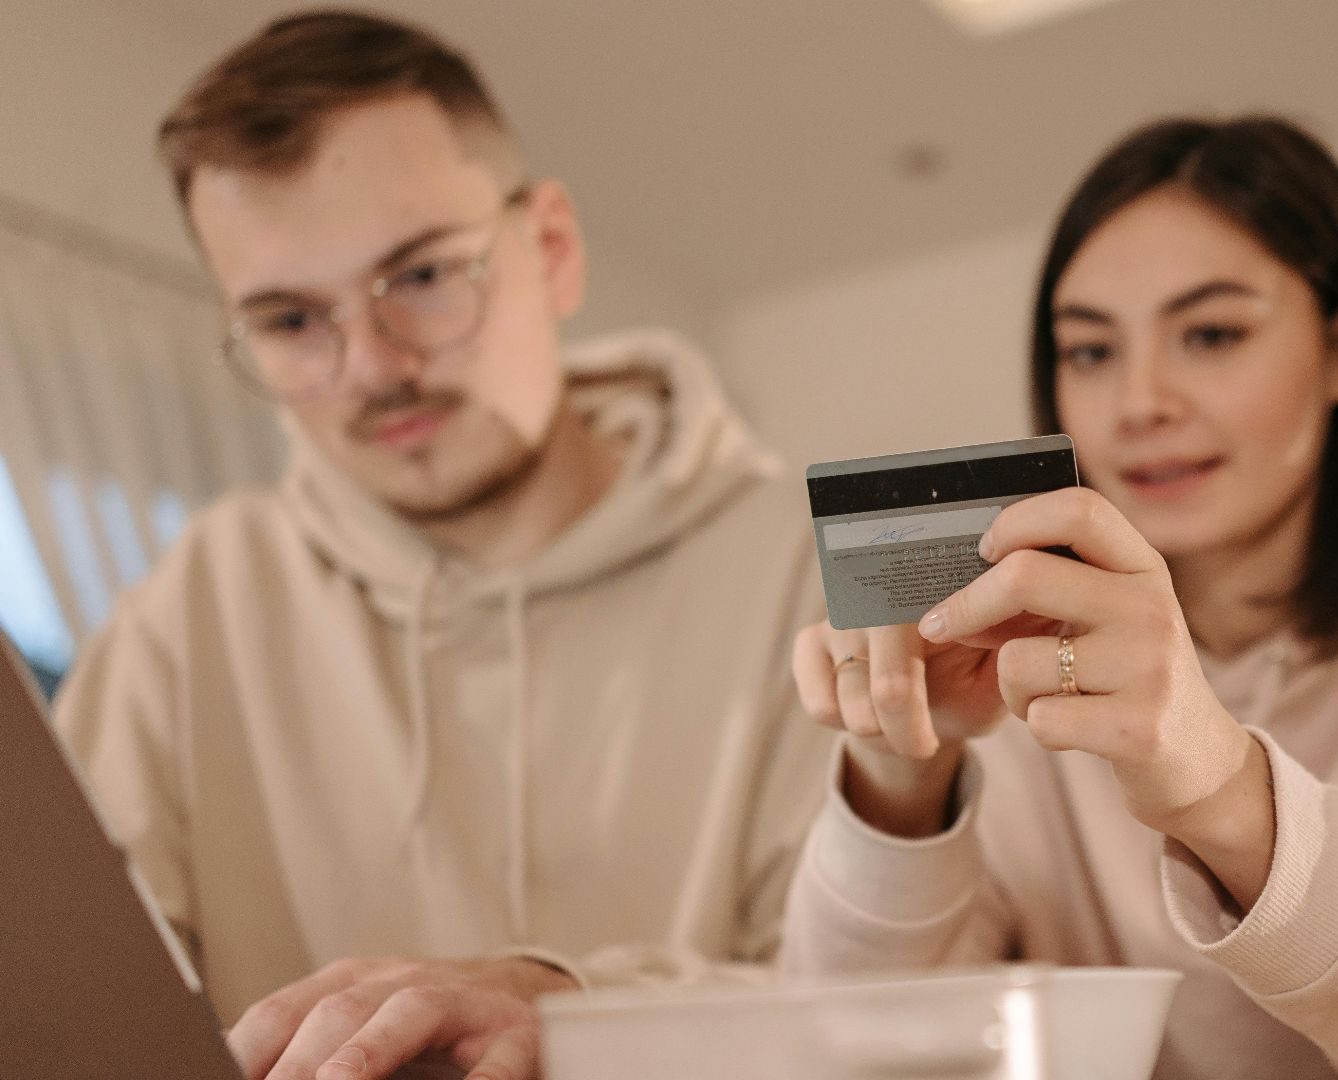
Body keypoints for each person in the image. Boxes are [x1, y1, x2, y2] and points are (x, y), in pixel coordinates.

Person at [783, 116, 1338, 1080]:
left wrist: (1222, 787)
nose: (1140, 403)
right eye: (1090, 352)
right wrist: (902, 777)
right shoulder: (1015, 649)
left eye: (1210, 334)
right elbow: (859, 1052)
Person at [53, 12, 833, 1080]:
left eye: (421, 277)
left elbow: (876, 998)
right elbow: (68, 1001)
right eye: (290, 322)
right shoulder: (193, 606)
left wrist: (564, 1005)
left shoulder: (800, 572)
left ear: (551, 250)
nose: (374, 368)